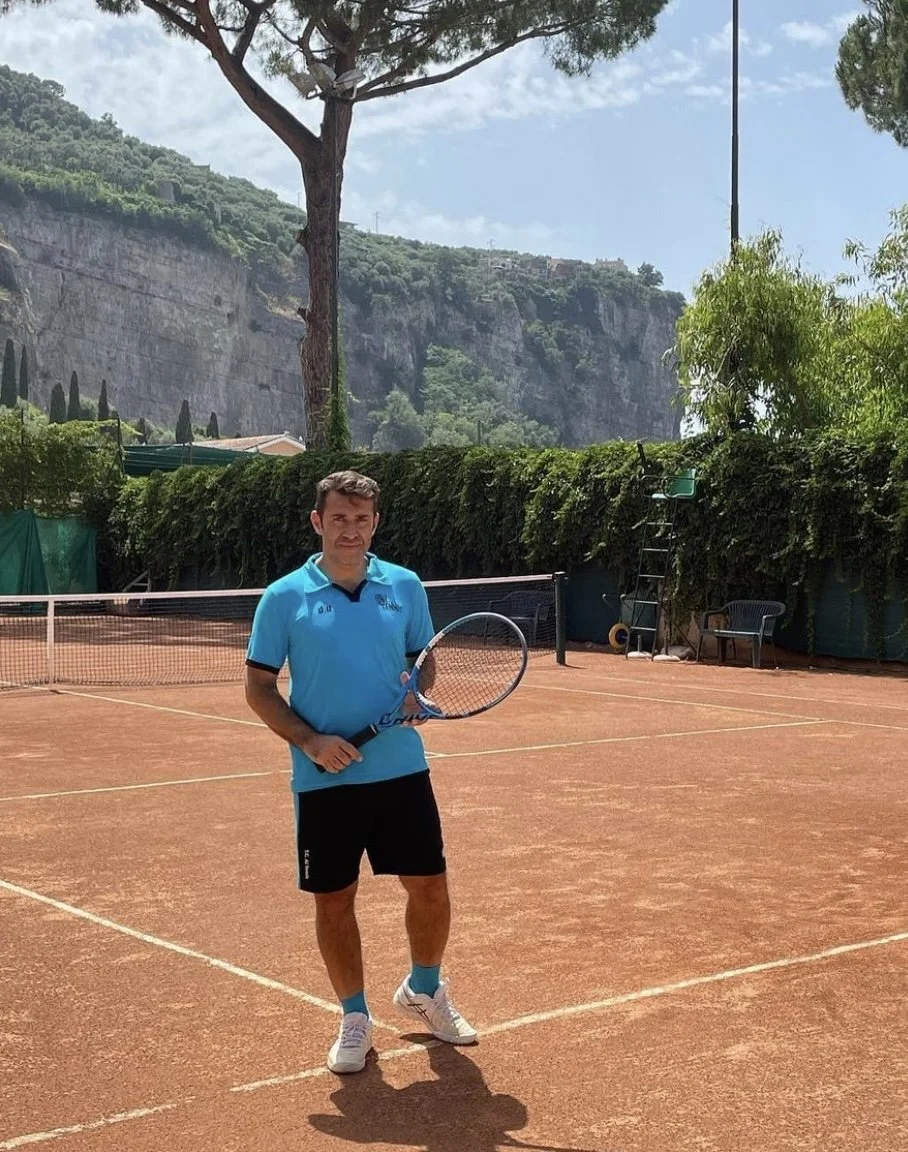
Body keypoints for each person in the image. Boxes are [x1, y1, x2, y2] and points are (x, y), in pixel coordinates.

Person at [244, 469, 477, 1074]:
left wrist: (417, 694)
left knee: (429, 884)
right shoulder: (282, 598)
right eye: (339, 518)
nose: (351, 529)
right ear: (318, 522)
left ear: (376, 523)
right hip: (325, 779)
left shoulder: (404, 586)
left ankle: (424, 987)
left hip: (401, 769)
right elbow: (260, 689)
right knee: (334, 900)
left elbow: (421, 663)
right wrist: (311, 740)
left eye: (363, 518)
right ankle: (354, 1017)